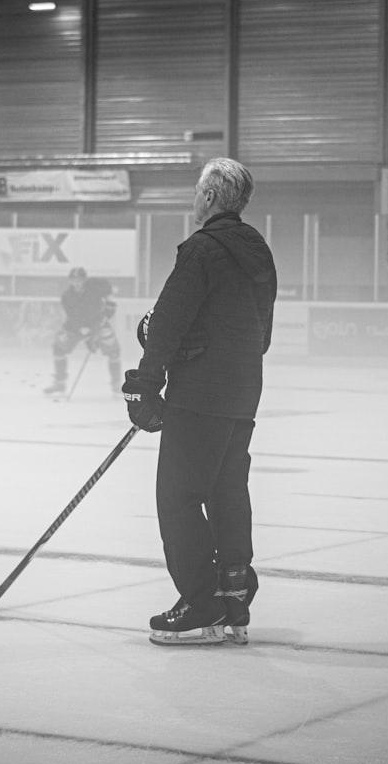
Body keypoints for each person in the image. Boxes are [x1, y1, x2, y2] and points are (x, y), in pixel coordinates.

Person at [123, 157, 278, 646]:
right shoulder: (259, 250)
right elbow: (259, 334)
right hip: (242, 393)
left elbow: (168, 322)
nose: (195, 199)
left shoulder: (201, 250)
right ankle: (233, 593)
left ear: (210, 197)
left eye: (197, 192)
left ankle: (200, 602)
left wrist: (144, 386)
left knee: (179, 495)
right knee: (228, 490)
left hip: (200, 396)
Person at [44, 266, 122, 396]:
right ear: (69, 281)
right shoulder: (66, 296)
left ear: (85, 280)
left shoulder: (95, 286)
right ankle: (60, 383)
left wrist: (110, 303)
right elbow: (71, 316)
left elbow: (108, 288)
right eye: (73, 280)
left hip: (98, 322)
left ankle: (116, 385)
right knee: (58, 347)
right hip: (76, 325)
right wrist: (85, 334)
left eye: (80, 280)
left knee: (114, 351)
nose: (77, 283)